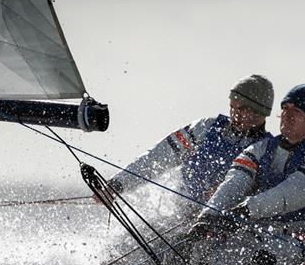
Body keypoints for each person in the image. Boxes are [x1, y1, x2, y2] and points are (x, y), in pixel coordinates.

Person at [190, 83, 305, 265]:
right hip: (269, 229)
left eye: (296, 111)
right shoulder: (261, 148)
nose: (287, 115)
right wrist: (208, 217)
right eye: (285, 109)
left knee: (266, 258)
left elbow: (293, 192)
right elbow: (235, 182)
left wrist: (247, 209)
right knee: (212, 248)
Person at [104, 74, 274, 203]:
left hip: (218, 232)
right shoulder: (206, 128)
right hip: (179, 217)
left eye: (242, 109)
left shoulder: (269, 149)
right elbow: (158, 157)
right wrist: (119, 184)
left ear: (259, 112)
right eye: (232, 107)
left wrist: (227, 197)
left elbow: (264, 197)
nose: (235, 115)